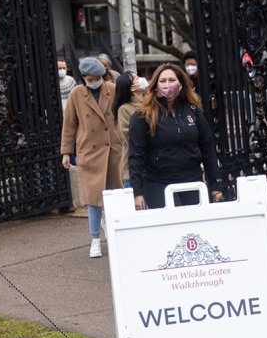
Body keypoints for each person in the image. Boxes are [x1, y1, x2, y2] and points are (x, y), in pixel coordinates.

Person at [128, 63, 223, 210]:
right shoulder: (143, 115)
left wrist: (215, 184)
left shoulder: (193, 110)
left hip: (192, 179)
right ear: (155, 85)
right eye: (163, 81)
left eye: (172, 80)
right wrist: (137, 192)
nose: (167, 84)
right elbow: (136, 155)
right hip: (158, 181)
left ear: (180, 84)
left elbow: (207, 147)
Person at [60, 57, 123, 258]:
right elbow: (69, 124)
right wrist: (66, 152)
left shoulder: (112, 89)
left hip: (113, 149)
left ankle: (115, 234)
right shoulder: (76, 93)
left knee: (115, 197)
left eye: (97, 77)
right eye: (89, 78)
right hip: (90, 151)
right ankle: (95, 239)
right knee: (94, 199)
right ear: (83, 77)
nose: (93, 81)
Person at [113, 71, 149, 188]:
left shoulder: (150, 103)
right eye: (136, 78)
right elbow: (130, 135)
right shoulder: (124, 109)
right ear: (132, 88)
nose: (141, 79)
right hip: (134, 168)